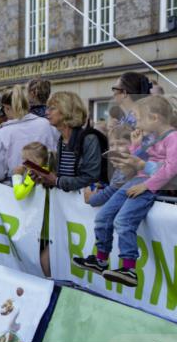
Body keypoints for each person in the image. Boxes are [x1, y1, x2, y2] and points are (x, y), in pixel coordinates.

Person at [73, 95, 176, 286]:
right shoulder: (152, 137)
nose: (136, 123)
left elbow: (170, 169)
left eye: (139, 119)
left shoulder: (173, 139)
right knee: (103, 216)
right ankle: (100, 260)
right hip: (137, 181)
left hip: (147, 186)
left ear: (154, 118)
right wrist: (136, 145)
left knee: (123, 220)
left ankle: (129, 268)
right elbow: (136, 159)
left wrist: (147, 186)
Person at [29, 91, 103, 193]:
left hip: (85, 206)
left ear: (66, 111)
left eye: (52, 108)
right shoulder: (61, 140)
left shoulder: (89, 139)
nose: (46, 112)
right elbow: (63, 178)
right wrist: (44, 179)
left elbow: (91, 179)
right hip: (67, 206)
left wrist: (56, 181)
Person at [0, 85, 59, 183]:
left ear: (7, 108)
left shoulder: (3, 133)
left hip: (16, 188)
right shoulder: (46, 124)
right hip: (46, 185)